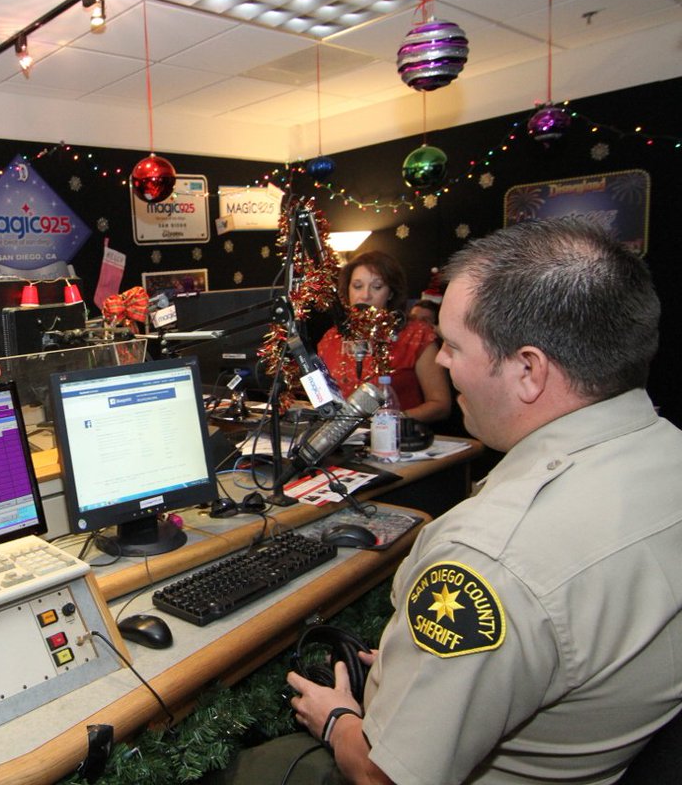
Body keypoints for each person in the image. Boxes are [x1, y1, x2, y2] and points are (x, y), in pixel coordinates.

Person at [210, 217, 682, 784]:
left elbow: (382, 776)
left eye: (453, 346)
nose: (441, 362)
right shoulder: (666, 452)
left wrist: (336, 721)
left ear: (528, 369)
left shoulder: (489, 559)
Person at [315, 250, 450, 423]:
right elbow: (321, 398)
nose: (365, 295)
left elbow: (440, 405)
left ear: (391, 293)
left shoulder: (416, 334)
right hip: (340, 435)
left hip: (396, 434)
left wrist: (389, 421)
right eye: (357, 286)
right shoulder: (331, 337)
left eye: (377, 287)